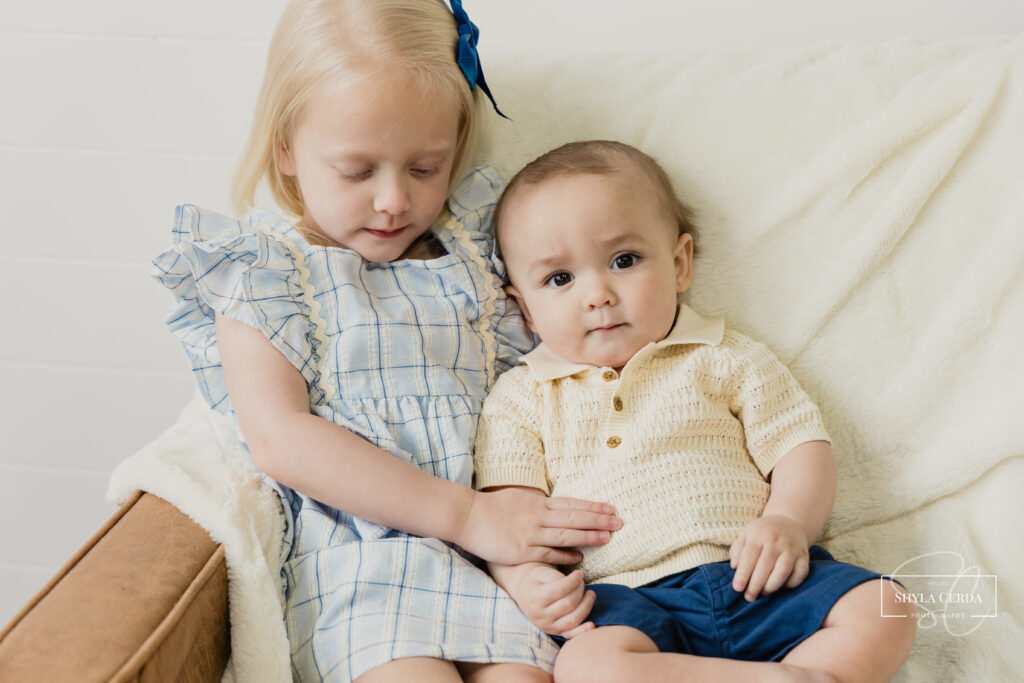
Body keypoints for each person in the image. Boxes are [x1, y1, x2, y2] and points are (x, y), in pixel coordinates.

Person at [152, 3, 622, 682]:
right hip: (362, 567)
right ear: (286, 147)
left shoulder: (478, 251)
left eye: (425, 167)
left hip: (497, 569)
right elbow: (281, 437)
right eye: (356, 171)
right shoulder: (264, 270)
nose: (394, 200)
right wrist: (465, 514)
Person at [473, 140, 918, 683]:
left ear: (680, 264)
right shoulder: (522, 396)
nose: (598, 295)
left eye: (624, 261)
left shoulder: (724, 355)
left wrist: (789, 522)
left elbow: (799, 445)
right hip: (628, 599)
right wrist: (525, 581)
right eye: (559, 279)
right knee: (587, 667)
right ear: (525, 309)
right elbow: (509, 520)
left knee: (885, 607)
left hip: (757, 574)